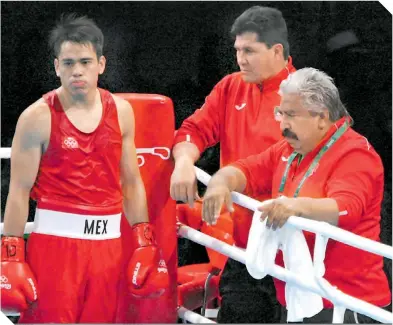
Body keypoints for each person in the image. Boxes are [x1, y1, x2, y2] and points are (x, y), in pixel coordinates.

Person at [1, 14, 169, 323]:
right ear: (56, 67)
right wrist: (10, 255)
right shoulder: (36, 117)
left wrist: (145, 240)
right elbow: (18, 190)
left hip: (108, 248)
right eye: (68, 63)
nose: (77, 71)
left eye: (85, 62)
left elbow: (131, 181)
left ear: (101, 64)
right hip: (55, 248)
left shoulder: (121, 113)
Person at [202, 67, 392, 323]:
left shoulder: (356, 154)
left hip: (346, 306)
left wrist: (297, 207)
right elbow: (248, 169)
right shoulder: (291, 148)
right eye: (280, 113)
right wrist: (221, 181)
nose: (283, 125)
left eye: (291, 115)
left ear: (322, 118)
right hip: (298, 297)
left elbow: (346, 208)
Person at [170, 6, 295, 323]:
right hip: (246, 244)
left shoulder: (305, 96)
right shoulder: (230, 87)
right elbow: (193, 130)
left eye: (250, 51)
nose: (241, 58)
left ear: (276, 50)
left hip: (294, 243)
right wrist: (184, 160)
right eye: (238, 50)